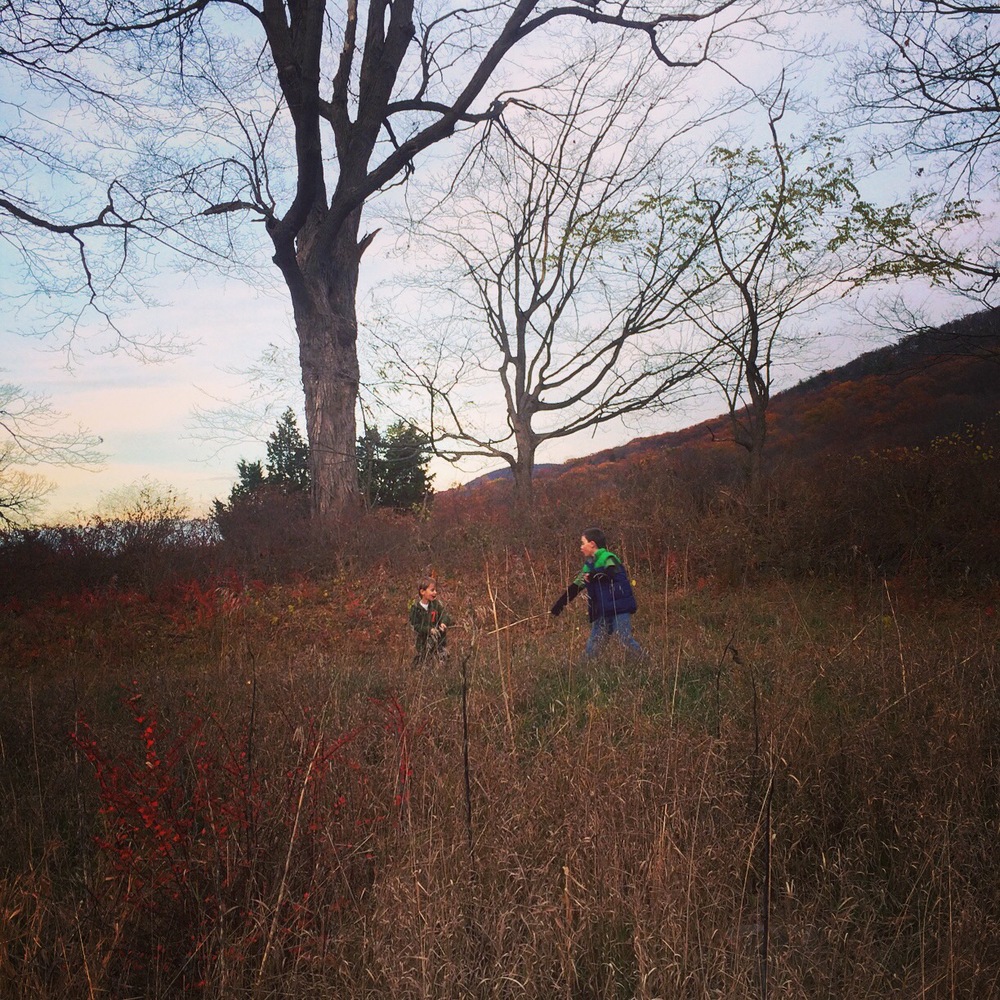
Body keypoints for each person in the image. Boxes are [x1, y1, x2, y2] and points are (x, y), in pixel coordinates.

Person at [550, 527, 644, 658]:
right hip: (601, 610)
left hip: (620, 608)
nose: (581, 547)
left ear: (592, 544)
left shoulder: (609, 558)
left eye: (583, 543)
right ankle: (584, 669)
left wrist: (594, 575)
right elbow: (575, 587)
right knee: (595, 643)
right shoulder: (588, 565)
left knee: (624, 640)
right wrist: (559, 605)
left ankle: (642, 660)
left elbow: (610, 572)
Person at [409, 576, 454, 665]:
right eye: (432, 590)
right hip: (423, 643)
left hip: (439, 641)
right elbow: (415, 625)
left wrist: (443, 623)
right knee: (425, 662)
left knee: (444, 660)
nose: (435, 592)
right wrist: (429, 630)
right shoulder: (415, 609)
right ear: (422, 592)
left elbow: (445, 615)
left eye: (435, 590)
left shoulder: (436, 605)